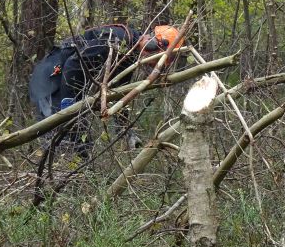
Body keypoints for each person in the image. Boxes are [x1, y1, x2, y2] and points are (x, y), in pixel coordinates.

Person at [28, 23, 184, 154]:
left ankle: (73, 182)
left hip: (66, 81)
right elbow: (73, 64)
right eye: (157, 56)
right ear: (154, 43)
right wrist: (69, 105)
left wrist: (125, 131)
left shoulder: (128, 55)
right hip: (52, 76)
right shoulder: (118, 41)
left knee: (81, 146)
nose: (151, 63)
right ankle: (52, 180)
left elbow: (119, 94)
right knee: (62, 139)